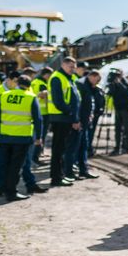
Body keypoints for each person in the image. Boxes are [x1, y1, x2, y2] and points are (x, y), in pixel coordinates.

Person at [0, 75, 41, 202]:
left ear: (17, 83)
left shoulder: (4, 95)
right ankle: (11, 192)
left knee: (2, 164)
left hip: (4, 137)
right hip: (22, 139)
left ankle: (1, 189)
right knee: (15, 167)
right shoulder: (30, 97)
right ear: (29, 86)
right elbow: (38, 120)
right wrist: (39, 137)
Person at [46, 57, 80, 187]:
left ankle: (59, 176)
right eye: (71, 67)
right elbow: (58, 101)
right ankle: (56, 178)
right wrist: (71, 113)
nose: (73, 69)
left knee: (61, 149)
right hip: (60, 118)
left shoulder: (67, 78)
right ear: (63, 65)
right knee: (58, 149)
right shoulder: (57, 78)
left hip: (64, 118)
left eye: (74, 67)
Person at [73, 69, 101, 179]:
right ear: (92, 77)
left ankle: (83, 170)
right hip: (79, 121)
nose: (97, 83)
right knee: (75, 146)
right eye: (97, 80)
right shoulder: (80, 85)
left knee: (84, 145)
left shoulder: (89, 87)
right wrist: (76, 120)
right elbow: (77, 104)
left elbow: (90, 103)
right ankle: (70, 170)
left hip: (85, 120)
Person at [31, 67, 53, 163]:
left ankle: (36, 155)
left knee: (36, 135)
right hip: (43, 113)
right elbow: (41, 95)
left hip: (37, 112)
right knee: (40, 136)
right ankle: (35, 157)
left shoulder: (34, 82)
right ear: (46, 75)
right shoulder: (42, 84)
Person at [108, 72, 128, 155]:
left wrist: (119, 83)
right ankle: (117, 147)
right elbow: (111, 93)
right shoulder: (113, 83)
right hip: (117, 108)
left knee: (126, 129)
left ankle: (126, 147)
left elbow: (127, 92)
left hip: (125, 108)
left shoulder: (125, 82)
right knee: (117, 129)